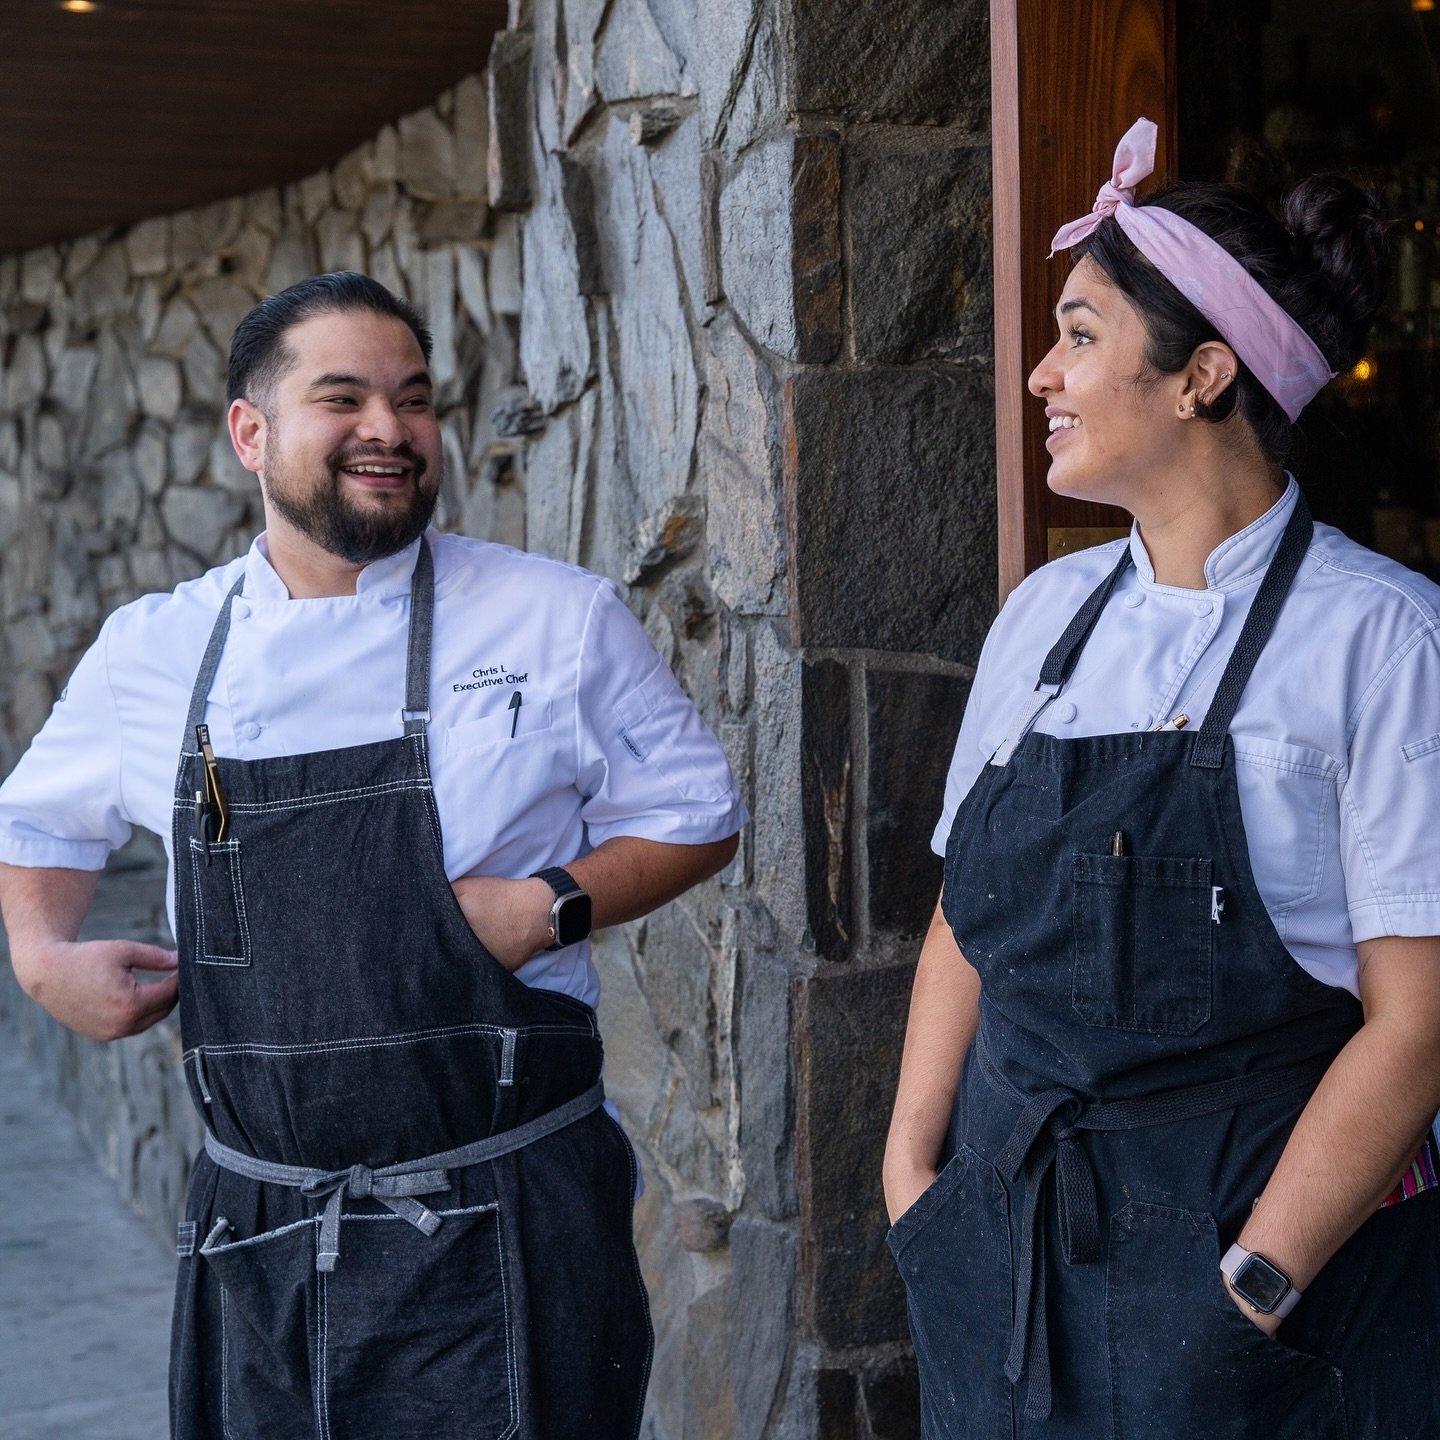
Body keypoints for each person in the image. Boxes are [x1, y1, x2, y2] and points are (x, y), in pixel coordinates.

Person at [0, 271, 745, 1439]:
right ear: (251, 432)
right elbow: (36, 825)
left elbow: (699, 810)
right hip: (261, 1234)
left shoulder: (554, 618)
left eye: (413, 399)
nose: (389, 431)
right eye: (341, 398)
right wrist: (43, 957)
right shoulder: (156, 649)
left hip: (508, 1220)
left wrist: (545, 905)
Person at [882, 119, 1440, 1439]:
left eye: (1078, 333)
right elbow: (969, 913)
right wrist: (914, 1178)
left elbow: (1417, 1022)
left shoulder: (1385, 639)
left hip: (1265, 1308)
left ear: (1202, 375)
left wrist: (1251, 1287)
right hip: (1003, 1271)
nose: (1039, 374)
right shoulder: (1042, 618)